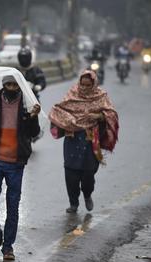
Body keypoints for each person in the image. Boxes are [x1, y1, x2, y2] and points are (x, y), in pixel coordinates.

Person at [0, 75, 41, 261]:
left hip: (16, 163)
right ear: (3, 86)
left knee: (13, 205)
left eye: (14, 85)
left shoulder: (28, 102)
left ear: (19, 86)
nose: (11, 88)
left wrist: (33, 117)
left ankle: (8, 246)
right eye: (8, 85)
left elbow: (33, 133)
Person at [48, 70, 119, 213]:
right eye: (83, 84)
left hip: (90, 140)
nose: (85, 88)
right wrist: (67, 121)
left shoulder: (101, 96)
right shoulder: (72, 94)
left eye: (88, 85)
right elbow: (58, 109)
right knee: (70, 174)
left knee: (88, 174)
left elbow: (111, 114)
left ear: (93, 84)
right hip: (72, 140)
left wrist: (98, 116)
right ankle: (73, 203)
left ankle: (87, 194)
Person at [17, 47, 46, 142]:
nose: (24, 59)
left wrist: (38, 86)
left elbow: (42, 81)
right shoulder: (16, 70)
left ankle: (36, 132)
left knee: (36, 113)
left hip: (32, 98)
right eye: (22, 57)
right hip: (17, 98)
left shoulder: (36, 70)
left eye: (25, 57)